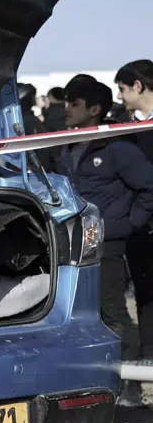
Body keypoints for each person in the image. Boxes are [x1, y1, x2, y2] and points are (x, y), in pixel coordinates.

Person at [60, 77, 153, 403]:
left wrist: (128, 225)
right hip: (72, 244)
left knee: (113, 312)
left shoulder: (118, 147)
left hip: (109, 244)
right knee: (83, 314)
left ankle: (129, 389)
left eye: (74, 103)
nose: (66, 109)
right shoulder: (66, 144)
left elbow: (148, 186)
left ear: (95, 109)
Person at [116, 60, 153, 363]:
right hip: (143, 229)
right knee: (145, 295)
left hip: (144, 221)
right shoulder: (130, 125)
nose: (121, 96)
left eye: (123, 89)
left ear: (138, 86)